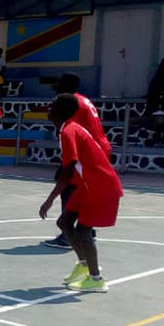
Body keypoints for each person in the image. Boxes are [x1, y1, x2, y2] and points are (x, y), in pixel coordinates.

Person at [38, 94, 123, 292]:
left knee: (84, 231)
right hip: (87, 185)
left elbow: (67, 169)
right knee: (64, 223)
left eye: (53, 106)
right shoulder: (67, 129)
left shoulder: (69, 131)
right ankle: (84, 266)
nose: (49, 109)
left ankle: (96, 279)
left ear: (62, 111)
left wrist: (49, 200)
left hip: (99, 185)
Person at [43, 73, 112, 249]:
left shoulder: (70, 105)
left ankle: (68, 235)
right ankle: (88, 229)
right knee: (82, 189)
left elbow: (71, 133)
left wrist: (50, 198)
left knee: (68, 186)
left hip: (87, 151)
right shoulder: (83, 100)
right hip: (99, 148)